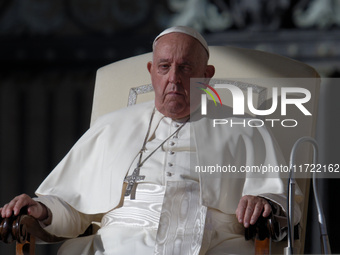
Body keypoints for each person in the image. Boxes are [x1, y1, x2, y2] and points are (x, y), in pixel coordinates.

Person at [0, 26, 301, 254]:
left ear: (206, 75)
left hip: (211, 243)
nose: (174, 78)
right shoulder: (111, 127)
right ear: (151, 71)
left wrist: (265, 201)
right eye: (164, 66)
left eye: (185, 68)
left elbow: (279, 200)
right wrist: (43, 209)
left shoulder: (245, 128)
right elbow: (73, 207)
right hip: (117, 242)